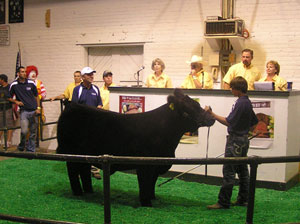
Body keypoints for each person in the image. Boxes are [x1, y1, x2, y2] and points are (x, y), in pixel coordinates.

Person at [205, 76, 258, 209]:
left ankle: (223, 202)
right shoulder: (247, 102)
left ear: (238, 89)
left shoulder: (240, 103)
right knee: (242, 170)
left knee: (229, 171)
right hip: (244, 140)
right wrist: (245, 131)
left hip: (234, 141)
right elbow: (254, 122)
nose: (231, 91)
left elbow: (228, 121)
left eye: (232, 88)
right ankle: (243, 199)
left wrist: (212, 114)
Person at [72, 67, 102, 180]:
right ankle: (81, 170)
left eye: (92, 74)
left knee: (94, 148)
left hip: (94, 125)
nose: (92, 76)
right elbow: (74, 107)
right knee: (81, 148)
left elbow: (99, 104)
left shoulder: (96, 89)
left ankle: (94, 170)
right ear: (83, 77)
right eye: (89, 75)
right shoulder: (77, 90)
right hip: (81, 125)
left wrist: (97, 112)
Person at [8, 66, 41, 152]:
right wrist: (16, 102)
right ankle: (22, 145)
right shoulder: (14, 85)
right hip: (24, 111)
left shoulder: (31, 82)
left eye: (25, 72)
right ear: (18, 74)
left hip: (33, 110)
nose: (24, 73)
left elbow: (36, 96)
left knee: (33, 131)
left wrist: (38, 108)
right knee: (24, 131)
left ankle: (31, 149)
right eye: (22, 72)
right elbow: (9, 97)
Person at [0, 74, 14, 148]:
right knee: (1, 125)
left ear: (2, 80)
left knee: (9, 125)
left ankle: (8, 141)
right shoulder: (0, 88)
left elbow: (12, 97)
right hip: (1, 108)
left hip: (8, 108)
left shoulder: (9, 87)